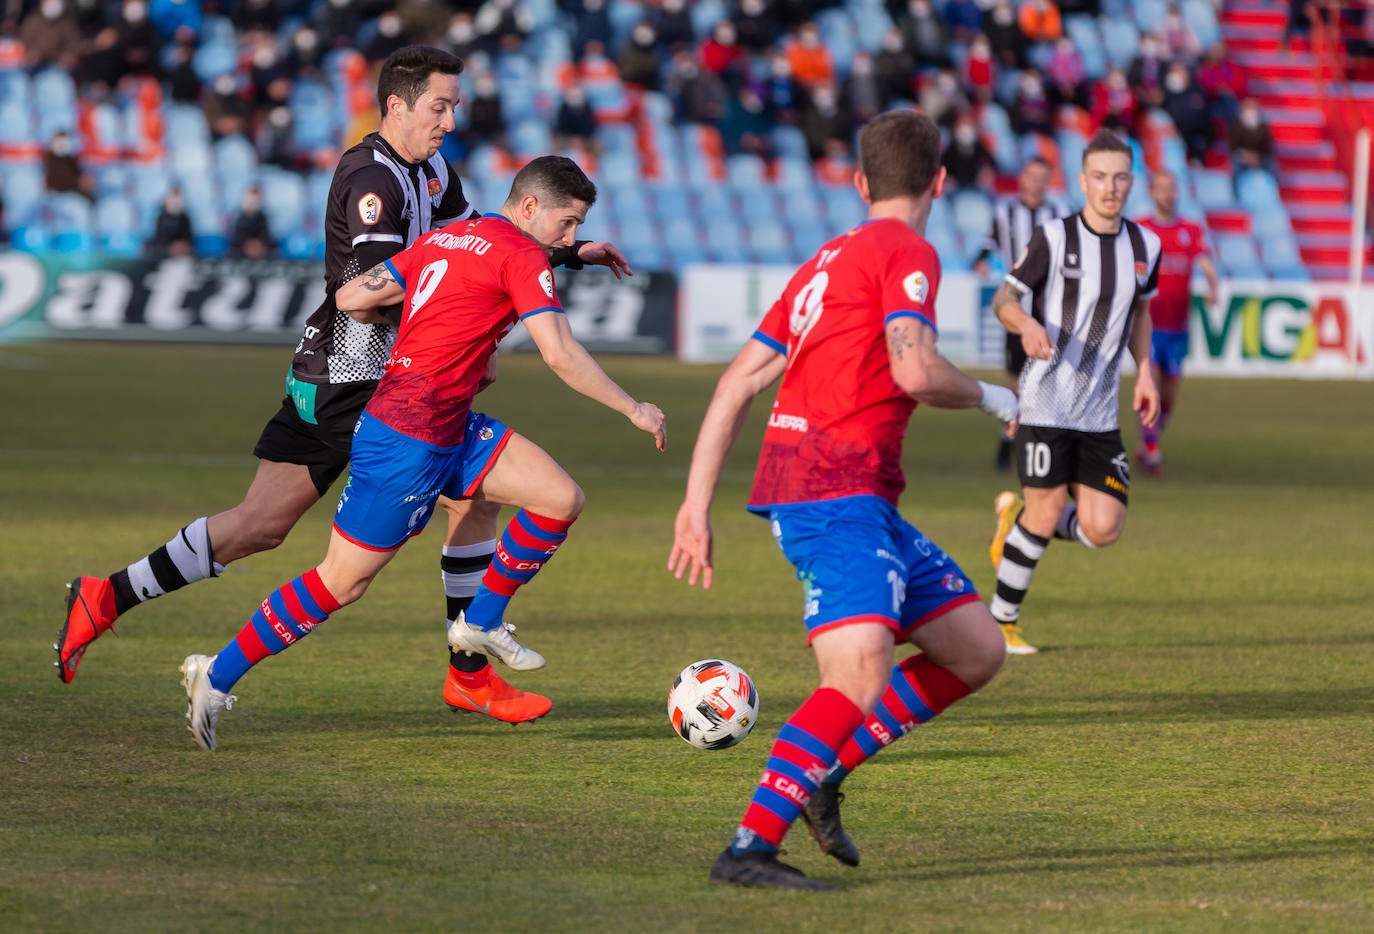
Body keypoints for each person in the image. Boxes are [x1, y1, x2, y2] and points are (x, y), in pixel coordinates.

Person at [55, 46, 631, 726]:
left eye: (453, 107)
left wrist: (563, 251)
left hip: (384, 373)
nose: (449, 121)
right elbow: (368, 295)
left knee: (266, 526)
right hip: (353, 376)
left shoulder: (433, 169)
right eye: (438, 106)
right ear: (396, 105)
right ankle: (468, 669)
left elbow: (483, 242)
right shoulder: (370, 179)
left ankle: (107, 596)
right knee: (416, 519)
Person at [181, 155, 667, 751]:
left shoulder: (452, 236)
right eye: (566, 224)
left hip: (449, 422)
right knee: (341, 583)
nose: (570, 238)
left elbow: (355, 293)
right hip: (405, 438)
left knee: (559, 497)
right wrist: (634, 409)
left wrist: (438, 326)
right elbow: (560, 353)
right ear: (531, 207)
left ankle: (480, 625)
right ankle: (216, 673)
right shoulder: (518, 254)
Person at [668, 110, 1017, 890]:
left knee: (975, 650)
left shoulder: (825, 259)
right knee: (856, 675)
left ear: (860, 183)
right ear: (940, 182)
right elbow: (916, 370)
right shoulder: (909, 249)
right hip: (829, 486)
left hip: (852, 493)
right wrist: (996, 397)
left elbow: (736, 383)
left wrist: (696, 505)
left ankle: (823, 774)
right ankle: (748, 850)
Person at [987, 130, 1162, 655]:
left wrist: (1147, 371)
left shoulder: (1146, 246)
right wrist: (1025, 326)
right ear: (1084, 182)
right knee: (1042, 516)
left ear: (1131, 182)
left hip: (1100, 412)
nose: (1111, 188)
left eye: (1120, 177)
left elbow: (1140, 313)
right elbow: (1004, 300)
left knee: (1103, 528)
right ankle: (1002, 623)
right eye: (1100, 177)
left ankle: (1009, 521)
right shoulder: (1053, 237)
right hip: (1045, 402)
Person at [975, 157, 1070, 479]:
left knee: (1049, 380)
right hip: (1016, 310)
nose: (1037, 183)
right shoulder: (1005, 213)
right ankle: (1009, 437)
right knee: (1016, 383)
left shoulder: (1058, 215)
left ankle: (1045, 444)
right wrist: (982, 261)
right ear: (1022, 180)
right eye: (1032, 176)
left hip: (1049, 312)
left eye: (1043, 178)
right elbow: (989, 244)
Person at [1134, 169, 1218, 477]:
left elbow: (1205, 260)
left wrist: (1212, 285)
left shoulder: (1190, 230)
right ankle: (1152, 449)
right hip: (1149, 324)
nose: (1167, 194)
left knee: (1169, 393)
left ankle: (1148, 440)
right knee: (1151, 382)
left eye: (1172, 189)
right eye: (1162, 189)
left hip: (1179, 325)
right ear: (1153, 192)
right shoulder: (1141, 229)